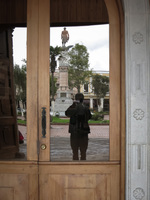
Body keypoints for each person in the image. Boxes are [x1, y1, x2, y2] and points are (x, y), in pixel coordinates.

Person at [65, 93, 92, 160]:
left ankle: (75, 163)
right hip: (84, 130)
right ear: (82, 99)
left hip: (74, 131)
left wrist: (73, 105)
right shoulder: (85, 107)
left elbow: (67, 113)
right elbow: (89, 116)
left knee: (75, 151)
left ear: (75, 99)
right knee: (83, 151)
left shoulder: (73, 107)